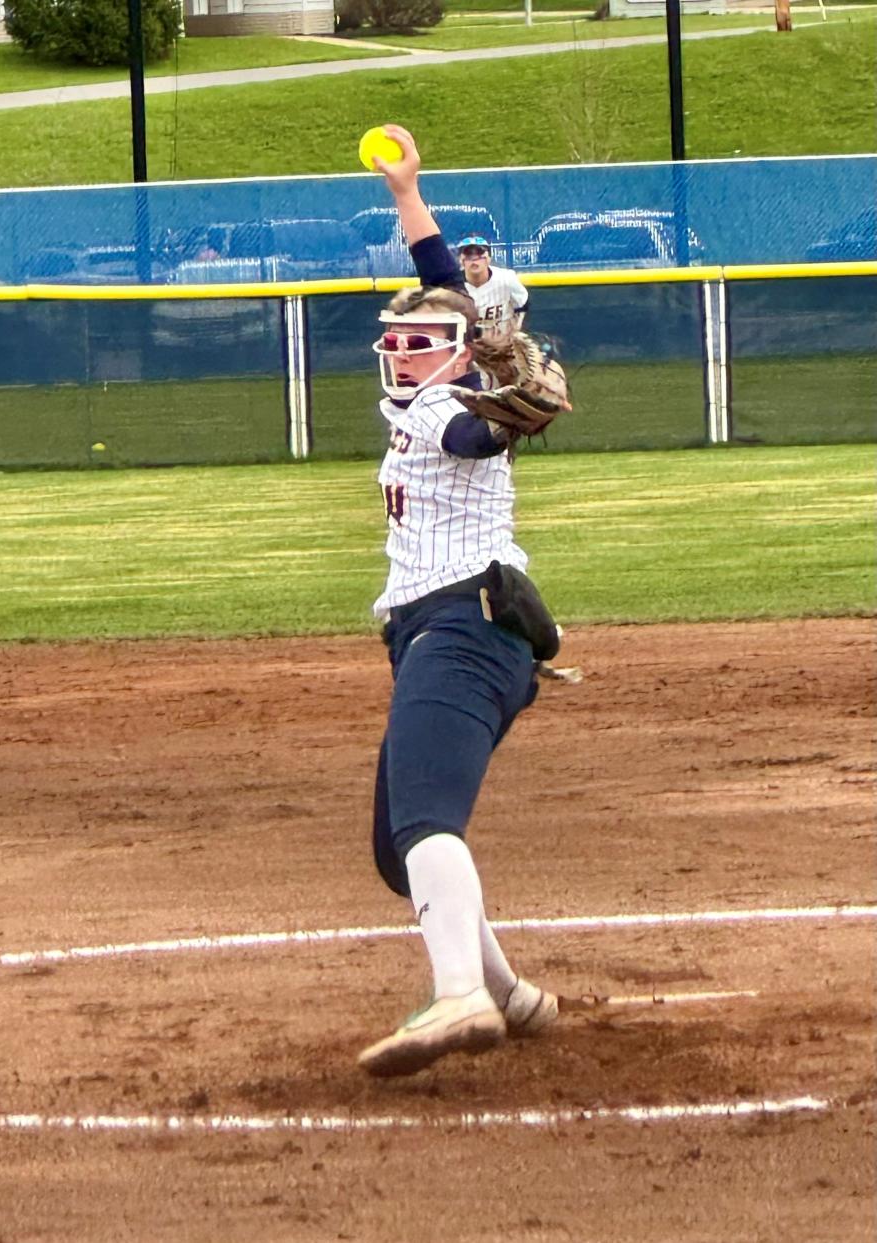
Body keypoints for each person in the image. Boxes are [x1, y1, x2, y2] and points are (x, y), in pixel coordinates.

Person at [358, 124, 563, 1078]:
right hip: (431, 633)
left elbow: (480, 437)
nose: (403, 352)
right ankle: (512, 995)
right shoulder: (414, 397)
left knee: (426, 819)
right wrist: (409, 197)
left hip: (467, 623)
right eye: (394, 340)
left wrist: (512, 407)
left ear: (456, 355)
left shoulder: (454, 415)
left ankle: (461, 999)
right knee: (400, 849)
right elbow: (443, 289)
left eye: (420, 343)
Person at [457, 234, 529, 344]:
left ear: (488, 258)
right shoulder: (453, 285)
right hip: (466, 342)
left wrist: (515, 329)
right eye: (469, 255)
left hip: (501, 341)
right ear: (461, 260)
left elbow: (523, 304)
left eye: (479, 254)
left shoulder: (506, 278)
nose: (474, 260)